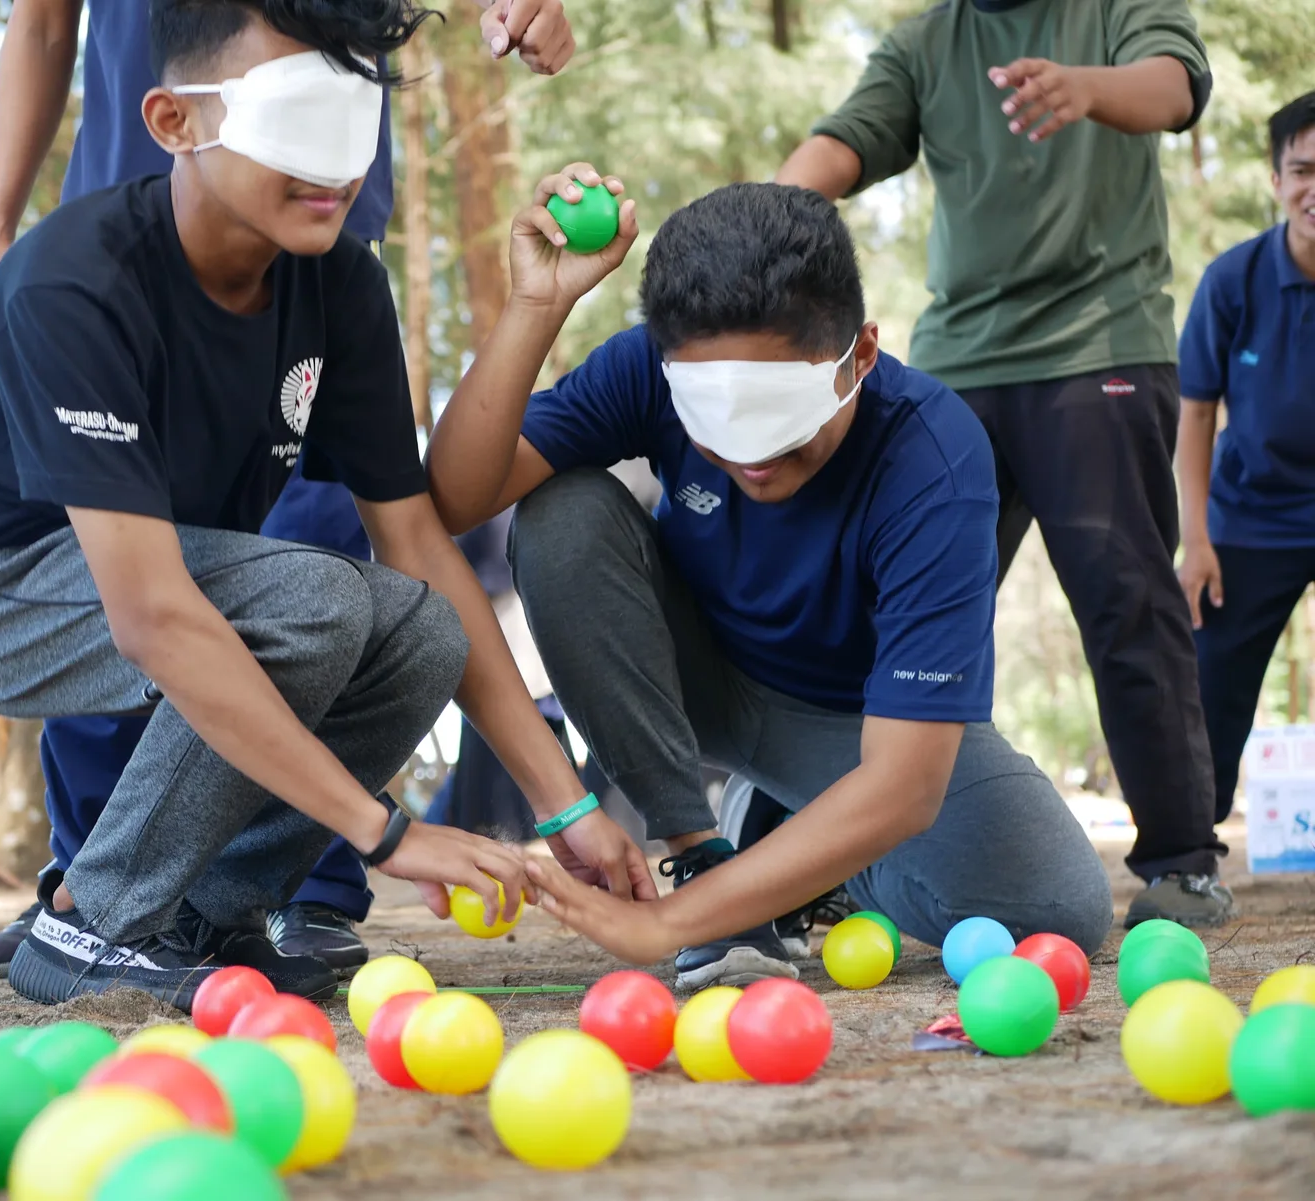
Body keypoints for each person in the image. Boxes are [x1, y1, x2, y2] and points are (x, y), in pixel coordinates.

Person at [0, 0, 653, 1012]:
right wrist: (385, 831)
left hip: (166, 573)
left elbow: (418, 547)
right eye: (293, 117)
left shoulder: (337, 286)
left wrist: (567, 807)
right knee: (317, 602)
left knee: (417, 628)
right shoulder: (76, 281)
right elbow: (154, 617)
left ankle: (214, 914)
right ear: (173, 122)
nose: (332, 163)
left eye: (352, 115)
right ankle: (92, 918)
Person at [426, 168, 1113, 987]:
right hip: (689, 684)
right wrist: (535, 308)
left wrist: (666, 929)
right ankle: (700, 849)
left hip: (853, 731)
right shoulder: (647, 365)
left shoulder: (937, 456)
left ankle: (787, 838)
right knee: (562, 512)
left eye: (779, 418)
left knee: (1058, 909)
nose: (750, 454)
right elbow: (457, 498)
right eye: (718, 419)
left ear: (859, 353)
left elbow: (901, 785)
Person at [770, 0, 1233, 928]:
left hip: (1096, 344)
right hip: (959, 360)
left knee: (1125, 600)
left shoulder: (1116, 11)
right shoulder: (923, 41)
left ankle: (1182, 860)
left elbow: (1175, 89)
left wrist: (1086, 88)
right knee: (883, 605)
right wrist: (771, 211)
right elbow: (848, 142)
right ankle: (806, 862)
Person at [1176, 92, 1315, 825]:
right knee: (1210, 679)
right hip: (1250, 515)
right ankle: (1193, 845)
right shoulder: (1232, 280)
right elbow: (1195, 412)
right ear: (1277, 182)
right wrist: (1195, 539)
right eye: (1302, 170)